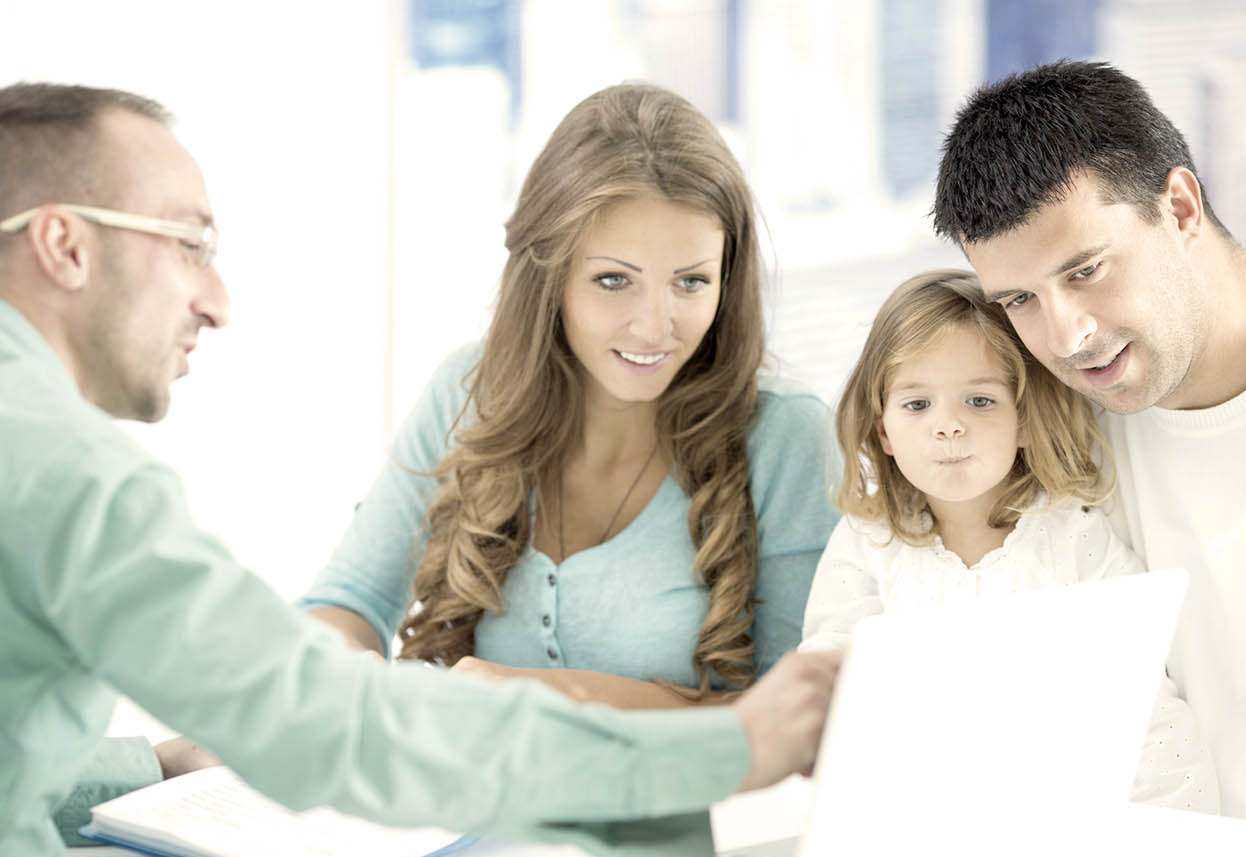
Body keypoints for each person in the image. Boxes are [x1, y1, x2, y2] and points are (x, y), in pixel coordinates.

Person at [0, 80, 840, 857]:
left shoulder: (784, 433)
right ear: (62, 245)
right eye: (190, 242)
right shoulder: (67, 471)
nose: (219, 299)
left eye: (690, 281)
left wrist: (154, 764)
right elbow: (328, 708)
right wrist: (718, 749)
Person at [932, 59, 1246, 857]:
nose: (1067, 334)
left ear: (1180, 207)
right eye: (1021, 301)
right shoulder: (1063, 419)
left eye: (1087, 270)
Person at [297, 82, 841, 707]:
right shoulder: (467, 391)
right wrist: (342, 683)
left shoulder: (786, 436)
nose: (655, 326)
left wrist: (534, 696)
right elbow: (345, 605)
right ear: (549, 271)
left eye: (690, 282)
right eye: (615, 280)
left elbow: (801, 714)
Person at [800, 268, 1217, 810]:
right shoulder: (868, 542)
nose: (948, 427)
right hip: (913, 815)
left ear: (1023, 419)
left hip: (1058, 814)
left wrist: (1177, 834)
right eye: (917, 404)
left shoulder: (1073, 538)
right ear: (884, 432)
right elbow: (824, 685)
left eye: (979, 401)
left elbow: (1143, 708)